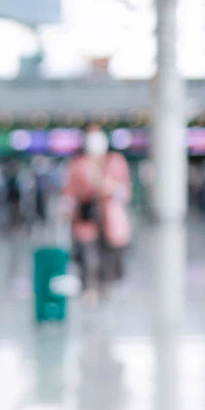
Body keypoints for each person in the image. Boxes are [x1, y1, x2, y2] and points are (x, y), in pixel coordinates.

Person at [62, 123, 132, 304]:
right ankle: (89, 288)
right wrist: (67, 208)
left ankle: (105, 286)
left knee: (109, 255)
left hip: (110, 219)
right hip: (86, 217)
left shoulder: (115, 161)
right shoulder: (78, 164)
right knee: (88, 254)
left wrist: (111, 188)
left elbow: (125, 192)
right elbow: (69, 192)